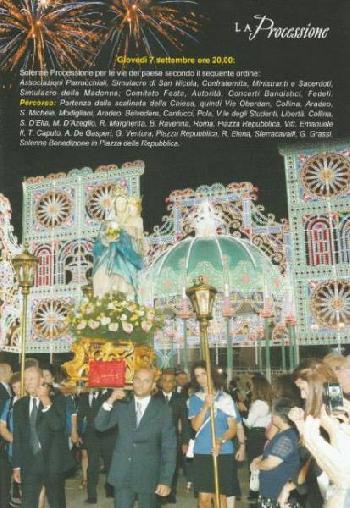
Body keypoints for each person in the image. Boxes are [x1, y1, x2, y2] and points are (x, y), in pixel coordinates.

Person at [95, 368, 177, 508]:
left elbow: (169, 447)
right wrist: (111, 399)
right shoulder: (122, 405)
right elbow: (100, 425)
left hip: (149, 474)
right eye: (137, 379)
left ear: (153, 386)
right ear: (132, 382)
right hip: (123, 473)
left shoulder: (163, 410)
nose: (141, 384)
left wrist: (166, 480)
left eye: (146, 381)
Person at [12, 366, 75, 508]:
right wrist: (17, 466)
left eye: (32, 379)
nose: (28, 383)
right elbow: (18, 438)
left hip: (53, 463)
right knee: (27, 503)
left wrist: (46, 400)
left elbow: (58, 425)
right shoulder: (19, 405)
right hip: (30, 463)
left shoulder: (57, 399)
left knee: (57, 503)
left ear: (42, 380)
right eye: (26, 379)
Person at [188, 361, 241, 508]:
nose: (201, 379)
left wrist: (220, 440)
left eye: (203, 374)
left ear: (211, 374)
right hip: (202, 451)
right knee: (204, 498)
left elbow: (232, 428)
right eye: (197, 376)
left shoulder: (226, 399)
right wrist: (205, 406)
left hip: (223, 451)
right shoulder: (194, 399)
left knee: (220, 497)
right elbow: (195, 426)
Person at [93, 184, 143, 298]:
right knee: (103, 276)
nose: (121, 205)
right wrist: (106, 240)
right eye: (118, 203)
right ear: (114, 205)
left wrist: (123, 237)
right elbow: (96, 247)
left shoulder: (133, 222)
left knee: (125, 282)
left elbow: (137, 245)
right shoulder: (107, 223)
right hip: (107, 258)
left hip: (126, 258)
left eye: (124, 203)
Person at [251, 398, 300, 508]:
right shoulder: (282, 434)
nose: (272, 417)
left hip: (276, 493)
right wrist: (260, 457)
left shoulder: (286, 438)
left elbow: (271, 463)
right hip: (271, 491)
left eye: (273, 414)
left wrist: (257, 465)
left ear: (279, 417)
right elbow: (272, 453)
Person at [154, 370, 192, 504]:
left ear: (175, 383)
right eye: (164, 380)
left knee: (173, 467)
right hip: (156, 438)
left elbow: (186, 422)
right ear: (160, 383)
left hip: (174, 438)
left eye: (170, 381)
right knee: (157, 465)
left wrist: (185, 442)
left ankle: (171, 492)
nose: (167, 383)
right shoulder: (154, 398)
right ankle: (158, 492)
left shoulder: (180, 399)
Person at [77, 388, 115, 504]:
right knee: (92, 465)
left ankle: (110, 488)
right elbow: (79, 415)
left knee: (109, 463)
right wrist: (78, 433)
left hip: (108, 433)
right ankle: (91, 494)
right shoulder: (84, 395)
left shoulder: (110, 394)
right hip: (91, 434)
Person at [243, 374, 272, 502]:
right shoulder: (269, 401)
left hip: (256, 434)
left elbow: (249, 422)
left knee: (254, 463)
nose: (251, 388)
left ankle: (255, 492)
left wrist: (243, 411)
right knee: (262, 463)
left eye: (251, 385)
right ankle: (261, 492)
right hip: (265, 433)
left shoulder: (259, 403)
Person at [0, 372, 21, 508]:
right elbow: (2, 426)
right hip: (12, 448)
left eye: (20, 386)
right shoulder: (10, 403)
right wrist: (15, 440)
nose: (18, 390)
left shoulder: (35, 401)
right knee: (7, 479)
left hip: (32, 451)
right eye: (14, 387)